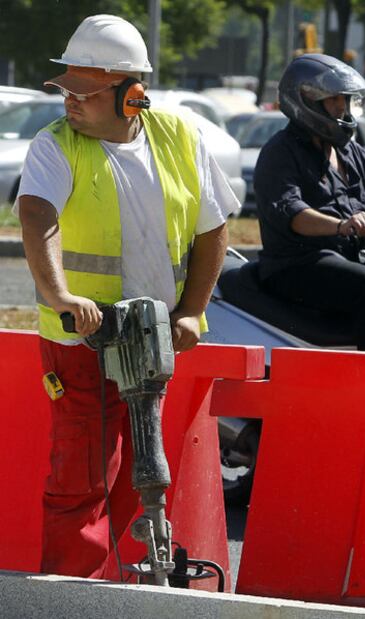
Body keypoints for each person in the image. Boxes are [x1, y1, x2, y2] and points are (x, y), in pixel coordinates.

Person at [17, 14, 239, 579]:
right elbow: (38, 217)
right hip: (82, 344)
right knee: (82, 478)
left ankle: (118, 589)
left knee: (138, 474)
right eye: (67, 89)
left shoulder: (181, 139)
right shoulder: (55, 147)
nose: (71, 102)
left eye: (86, 94)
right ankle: (70, 597)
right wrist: (60, 294)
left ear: (132, 95)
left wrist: (192, 311)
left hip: (151, 338)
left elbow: (214, 228)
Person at [254, 53, 365, 353]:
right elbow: (293, 213)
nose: (345, 111)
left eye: (346, 103)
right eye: (335, 103)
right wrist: (343, 225)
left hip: (349, 265)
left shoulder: (351, 153)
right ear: (308, 103)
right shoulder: (280, 153)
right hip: (294, 267)